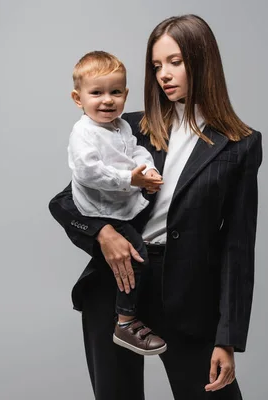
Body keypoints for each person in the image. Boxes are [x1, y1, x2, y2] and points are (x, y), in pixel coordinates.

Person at [49, 14, 262, 400]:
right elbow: (66, 201)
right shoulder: (128, 128)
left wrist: (228, 338)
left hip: (187, 296)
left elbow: (237, 246)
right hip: (117, 284)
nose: (164, 74)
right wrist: (103, 233)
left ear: (203, 60)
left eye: (175, 62)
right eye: (156, 65)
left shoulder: (239, 145)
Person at [68, 50, 166, 356]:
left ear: (125, 94)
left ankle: (127, 317)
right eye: (96, 93)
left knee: (136, 257)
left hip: (123, 206)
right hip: (101, 211)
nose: (107, 100)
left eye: (115, 92)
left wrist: (147, 168)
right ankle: (125, 321)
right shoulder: (84, 132)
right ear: (78, 98)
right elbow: (88, 172)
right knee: (137, 259)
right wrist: (130, 180)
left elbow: (135, 150)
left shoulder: (121, 125)